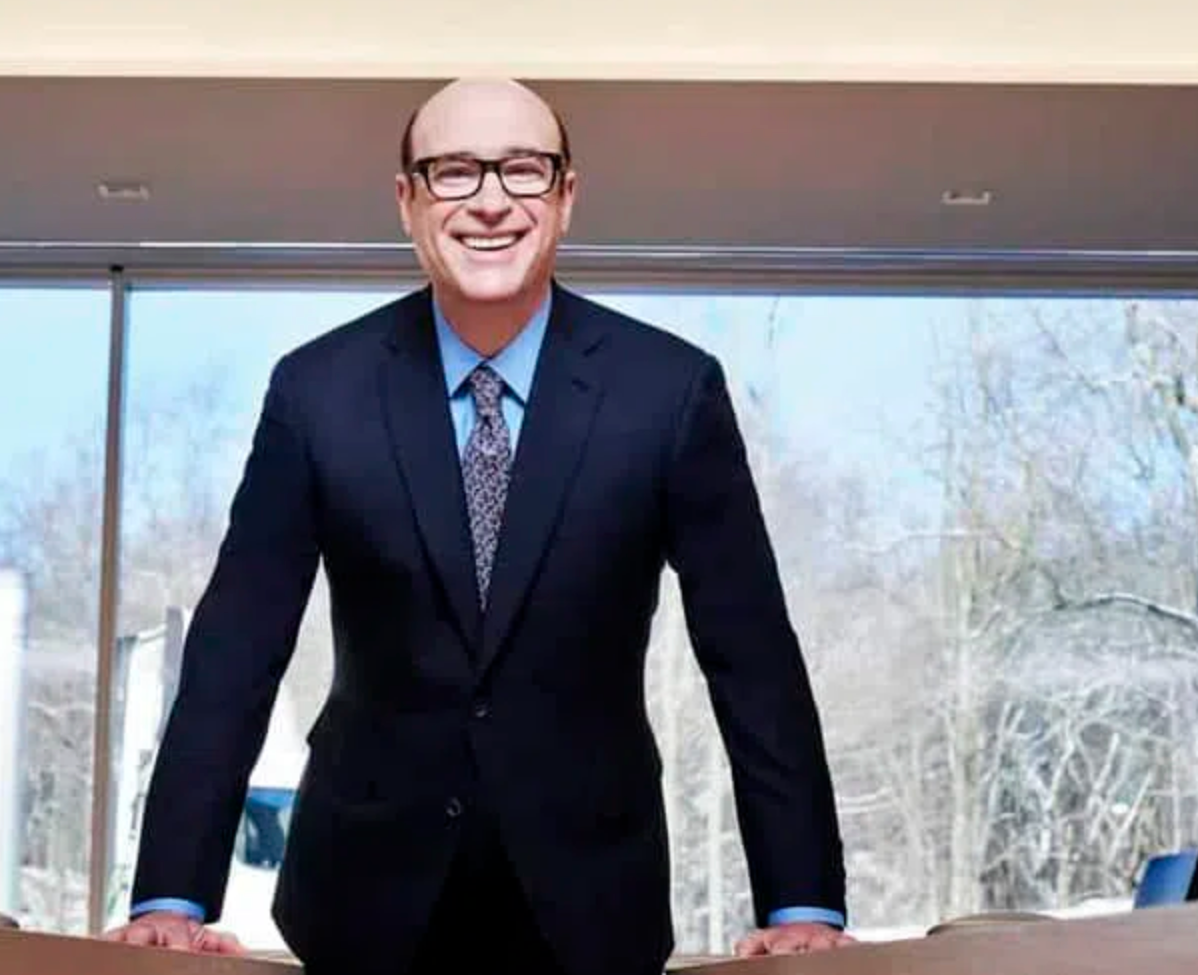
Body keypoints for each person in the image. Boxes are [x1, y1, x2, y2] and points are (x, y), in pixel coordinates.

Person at [104, 78, 854, 975]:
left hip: (591, 903)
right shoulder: (317, 392)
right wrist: (171, 897)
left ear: (566, 197)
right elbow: (236, 647)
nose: (491, 200)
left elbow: (751, 656)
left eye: (523, 171)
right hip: (359, 901)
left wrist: (800, 901)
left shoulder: (670, 394)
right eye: (454, 171)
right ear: (407, 200)